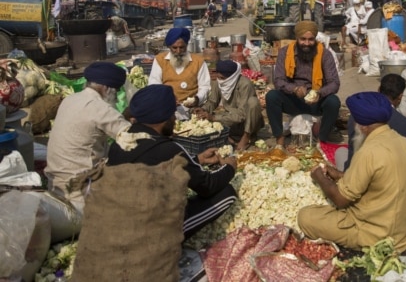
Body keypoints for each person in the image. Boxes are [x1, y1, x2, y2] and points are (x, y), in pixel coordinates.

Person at [297, 92, 406, 253]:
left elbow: (341, 200)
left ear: (362, 126)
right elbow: (377, 179)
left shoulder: (368, 152)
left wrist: (320, 177)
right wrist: (339, 175)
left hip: (376, 234)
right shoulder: (405, 142)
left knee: (306, 216)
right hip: (405, 229)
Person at [107, 84, 237, 239]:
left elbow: (152, 161)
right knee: (227, 193)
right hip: (148, 236)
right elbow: (207, 186)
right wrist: (229, 167)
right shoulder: (168, 149)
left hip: (117, 224)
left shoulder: (119, 143)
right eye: (173, 114)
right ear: (164, 118)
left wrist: (197, 160)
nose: (175, 119)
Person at [43, 62, 131, 241]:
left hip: (54, 187)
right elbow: (135, 141)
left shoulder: (70, 100)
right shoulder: (102, 109)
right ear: (107, 89)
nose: (117, 98)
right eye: (117, 92)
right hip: (79, 200)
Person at [266, 21, 342, 147]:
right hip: (293, 100)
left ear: (315, 39)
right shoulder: (285, 53)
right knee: (272, 96)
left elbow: (334, 83)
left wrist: (319, 92)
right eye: (303, 39)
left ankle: (322, 140)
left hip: (316, 101)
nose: (307, 43)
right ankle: (279, 139)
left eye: (311, 40)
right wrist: (294, 89)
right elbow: (278, 80)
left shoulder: (324, 54)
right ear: (297, 38)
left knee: (333, 101)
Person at [335, 74, 406, 172]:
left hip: (364, 171)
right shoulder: (405, 123)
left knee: (341, 152)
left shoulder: (357, 116)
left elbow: (353, 150)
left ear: (379, 89)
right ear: (400, 96)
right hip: (392, 174)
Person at [194, 60, 264, 151]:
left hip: (247, 121)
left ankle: (247, 136)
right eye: (219, 77)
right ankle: (230, 137)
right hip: (230, 119)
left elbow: (241, 115)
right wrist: (203, 109)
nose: (220, 80)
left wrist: (214, 118)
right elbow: (212, 101)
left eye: (223, 78)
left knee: (253, 102)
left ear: (232, 77)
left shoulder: (245, 84)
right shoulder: (219, 82)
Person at [148, 27, 211, 113]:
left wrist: (197, 99)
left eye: (182, 47)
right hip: (167, 107)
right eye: (174, 48)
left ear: (186, 45)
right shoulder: (160, 60)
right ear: (169, 47)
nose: (178, 51)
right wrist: (167, 98)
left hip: (192, 109)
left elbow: (205, 86)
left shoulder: (198, 61)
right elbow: (154, 85)